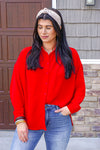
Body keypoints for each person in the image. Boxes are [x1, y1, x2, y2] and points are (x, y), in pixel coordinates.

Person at [10, 8, 85, 150]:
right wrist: (20, 120)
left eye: (48, 28)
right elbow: (16, 88)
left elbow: (80, 87)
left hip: (60, 118)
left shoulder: (71, 55)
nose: (43, 32)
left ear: (58, 29)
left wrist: (71, 107)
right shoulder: (26, 54)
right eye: (40, 27)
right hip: (31, 116)